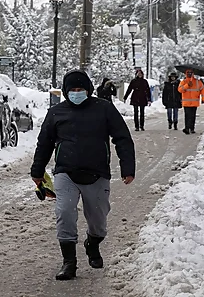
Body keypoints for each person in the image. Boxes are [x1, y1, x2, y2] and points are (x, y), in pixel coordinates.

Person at [31, 70, 136, 281]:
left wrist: (128, 168)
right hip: (65, 173)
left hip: (97, 173)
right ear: (66, 91)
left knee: (98, 220)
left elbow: (122, 138)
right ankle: (69, 262)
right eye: (72, 90)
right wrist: (37, 171)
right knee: (65, 212)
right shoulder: (56, 112)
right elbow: (45, 143)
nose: (76, 93)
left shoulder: (104, 109)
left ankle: (93, 243)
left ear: (88, 90)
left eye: (81, 90)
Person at [177, 68, 204, 134]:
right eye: (188, 73)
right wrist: (187, 85)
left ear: (193, 74)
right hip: (186, 103)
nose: (189, 74)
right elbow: (180, 90)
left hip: (194, 102)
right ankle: (187, 128)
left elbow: (203, 90)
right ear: (186, 74)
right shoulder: (183, 82)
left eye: (191, 73)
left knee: (193, 116)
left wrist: (203, 99)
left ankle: (192, 128)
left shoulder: (197, 82)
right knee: (187, 116)